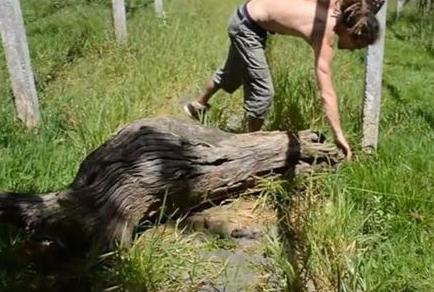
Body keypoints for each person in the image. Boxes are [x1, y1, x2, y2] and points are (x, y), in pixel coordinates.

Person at [184, 0, 385, 160]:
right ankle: (249, 150)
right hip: (247, 27)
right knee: (263, 94)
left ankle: (197, 105)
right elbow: (327, 93)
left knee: (230, 75)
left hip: (247, 17)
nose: (352, 50)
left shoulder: (335, 7)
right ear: (353, 33)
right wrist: (338, 134)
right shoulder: (325, 35)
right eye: (357, 46)